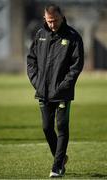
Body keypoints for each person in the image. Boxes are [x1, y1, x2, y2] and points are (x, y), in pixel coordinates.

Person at [27, 4, 84, 178]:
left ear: (61, 17)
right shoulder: (40, 35)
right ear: (45, 18)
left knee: (61, 126)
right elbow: (31, 61)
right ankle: (61, 158)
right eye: (49, 21)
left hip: (62, 93)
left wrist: (63, 86)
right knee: (46, 127)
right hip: (43, 91)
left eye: (55, 21)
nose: (52, 24)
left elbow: (76, 66)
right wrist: (37, 82)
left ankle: (57, 166)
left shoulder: (73, 37)